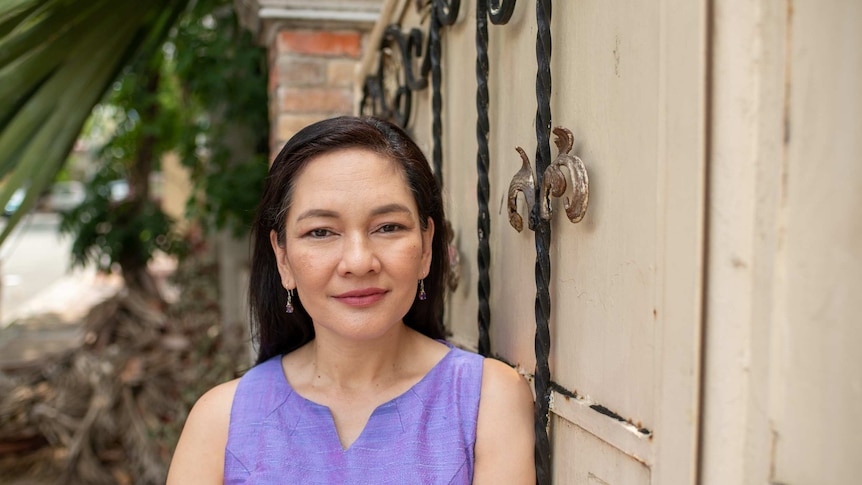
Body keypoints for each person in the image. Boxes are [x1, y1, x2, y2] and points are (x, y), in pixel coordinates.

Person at [166, 116, 535, 484]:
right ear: (282, 257)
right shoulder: (220, 422)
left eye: (388, 227)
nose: (359, 262)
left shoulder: (488, 401)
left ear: (426, 247)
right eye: (321, 232)